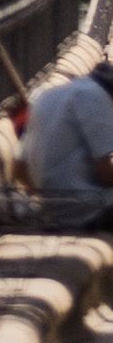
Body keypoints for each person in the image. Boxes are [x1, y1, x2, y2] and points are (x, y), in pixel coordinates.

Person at [25, 59, 113, 229]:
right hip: (87, 211)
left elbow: (19, 168)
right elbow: (105, 175)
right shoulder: (95, 96)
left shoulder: (48, 94)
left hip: (51, 209)